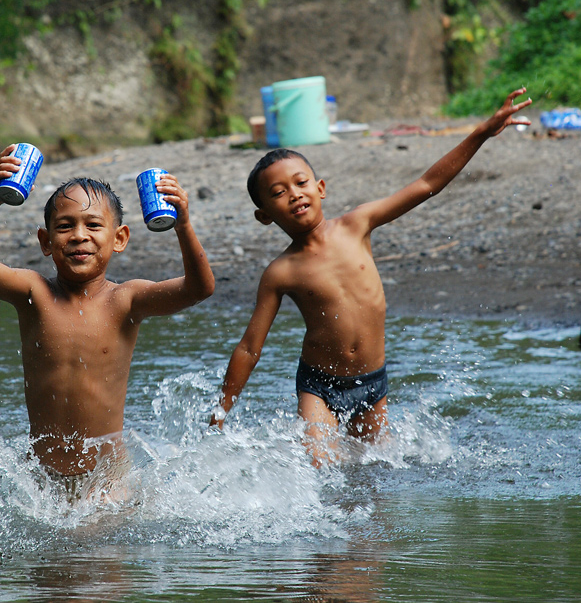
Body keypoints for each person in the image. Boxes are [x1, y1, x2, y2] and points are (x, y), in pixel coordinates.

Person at [209, 88, 532, 465]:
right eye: (278, 193)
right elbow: (250, 347)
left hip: (372, 383)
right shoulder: (280, 272)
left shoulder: (356, 224)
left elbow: (426, 185)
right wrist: (221, 413)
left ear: (320, 188)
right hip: (318, 386)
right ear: (265, 214)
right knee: (322, 472)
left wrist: (481, 133)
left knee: (374, 478)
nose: (294, 194)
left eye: (300, 183)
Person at [0, 145, 214, 498]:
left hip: (108, 483)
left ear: (119, 239)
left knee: (98, 553)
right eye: (64, 226)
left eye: (93, 225)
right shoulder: (33, 293)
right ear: (46, 241)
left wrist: (182, 224)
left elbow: (199, 289)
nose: (78, 235)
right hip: (42, 481)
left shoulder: (126, 300)